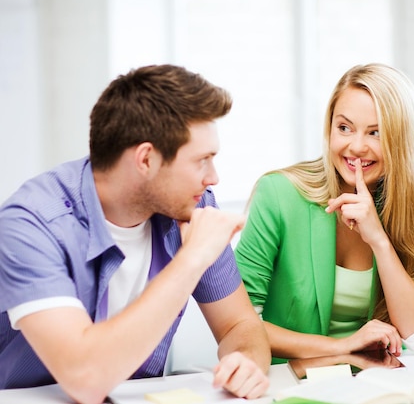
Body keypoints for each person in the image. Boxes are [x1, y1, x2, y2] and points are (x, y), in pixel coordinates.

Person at [0, 64, 271, 403]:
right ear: (146, 159)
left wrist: (245, 362)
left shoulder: (193, 209)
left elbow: (240, 326)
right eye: (202, 160)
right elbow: (84, 379)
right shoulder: (31, 224)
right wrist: (191, 260)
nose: (213, 177)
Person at [235, 63, 414, 363]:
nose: (356, 147)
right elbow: (239, 326)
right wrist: (343, 346)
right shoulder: (279, 194)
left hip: (372, 382)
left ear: (400, 140)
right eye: (344, 128)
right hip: (289, 380)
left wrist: (379, 242)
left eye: (375, 133)